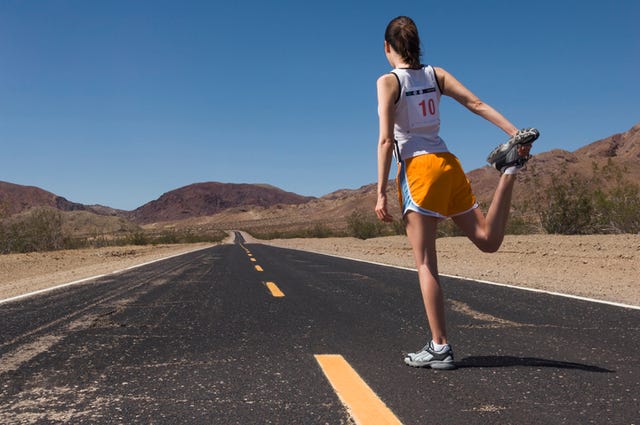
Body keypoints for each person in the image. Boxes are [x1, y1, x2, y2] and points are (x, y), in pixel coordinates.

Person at [375, 16, 539, 370]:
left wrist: (381, 193)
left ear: (388, 48)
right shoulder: (437, 75)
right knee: (487, 239)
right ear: (416, 45)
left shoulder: (388, 82)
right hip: (448, 164)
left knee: (425, 263)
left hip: (418, 171)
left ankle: (440, 346)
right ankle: (509, 170)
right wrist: (515, 134)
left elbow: (387, 140)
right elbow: (476, 103)